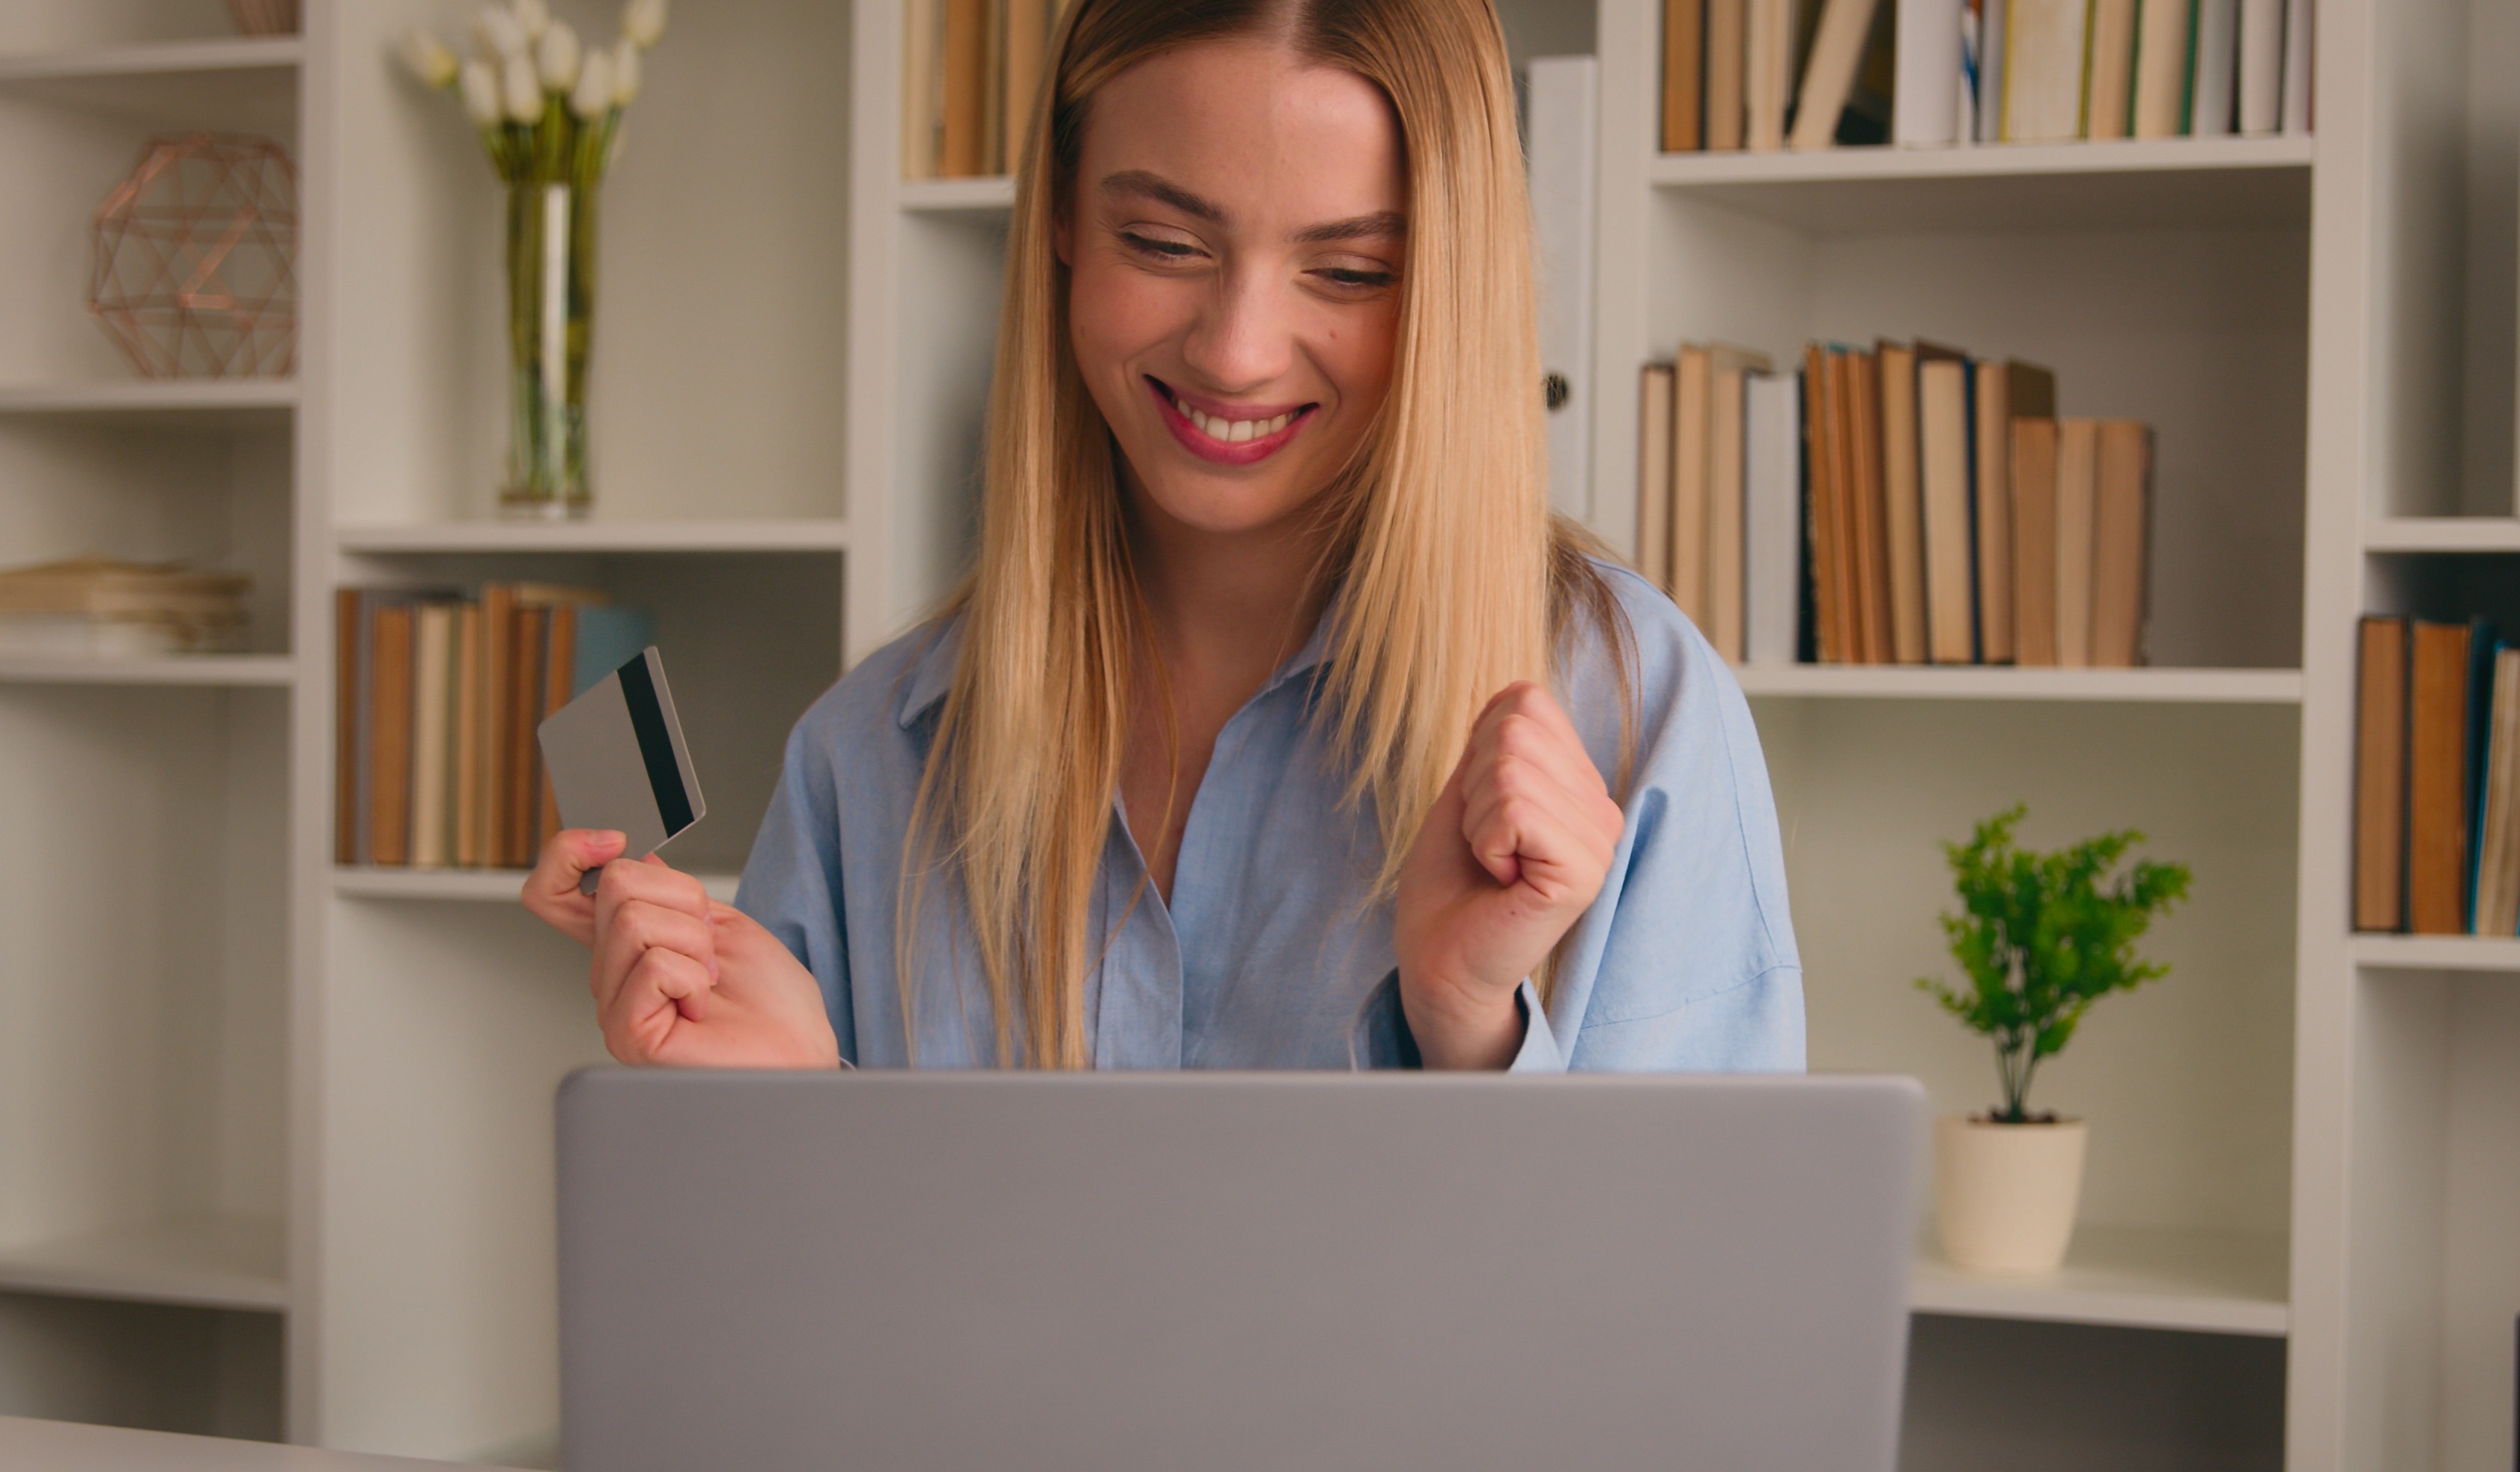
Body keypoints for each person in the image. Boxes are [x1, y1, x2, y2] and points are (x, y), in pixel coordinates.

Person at [522, 0, 1803, 1072]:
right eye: (1165, 242)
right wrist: (798, 1120)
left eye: (1350, 271)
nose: (1236, 352)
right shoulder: (868, 763)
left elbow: (1683, 1348)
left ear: (1450, 287)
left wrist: (1469, 1032)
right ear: (1065, 226)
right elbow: (773, 1345)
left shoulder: (1633, 719)